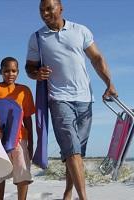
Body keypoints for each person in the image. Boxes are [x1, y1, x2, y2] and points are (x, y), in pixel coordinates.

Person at [25, 1, 118, 200]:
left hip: (85, 98)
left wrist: (109, 83)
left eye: (49, 8)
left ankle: (68, 192)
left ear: (61, 9)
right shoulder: (37, 38)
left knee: (75, 153)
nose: (45, 13)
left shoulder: (80, 30)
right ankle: (84, 198)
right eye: (41, 10)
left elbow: (97, 58)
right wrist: (36, 73)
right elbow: (29, 68)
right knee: (73, 150)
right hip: (58, 98)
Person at [0, 57, 35, 200]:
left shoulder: (24, 91)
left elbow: (27, 118)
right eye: (6, 71)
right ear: (0, 72)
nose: (10, 74)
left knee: (23, 172)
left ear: (18, 72)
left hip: (20, 138)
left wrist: (31, 142)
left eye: (14, 71)